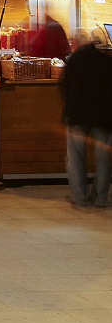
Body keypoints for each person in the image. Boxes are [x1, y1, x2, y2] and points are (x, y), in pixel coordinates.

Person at [60, 34, 112, 208]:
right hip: (104, 117)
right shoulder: (107, 61)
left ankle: (80, 198)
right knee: (103, 159)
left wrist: (68, 110)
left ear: (76, 43)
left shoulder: (73, 61)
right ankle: (100, 198)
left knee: (75, 158)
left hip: (77, 116)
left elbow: (64, 88)